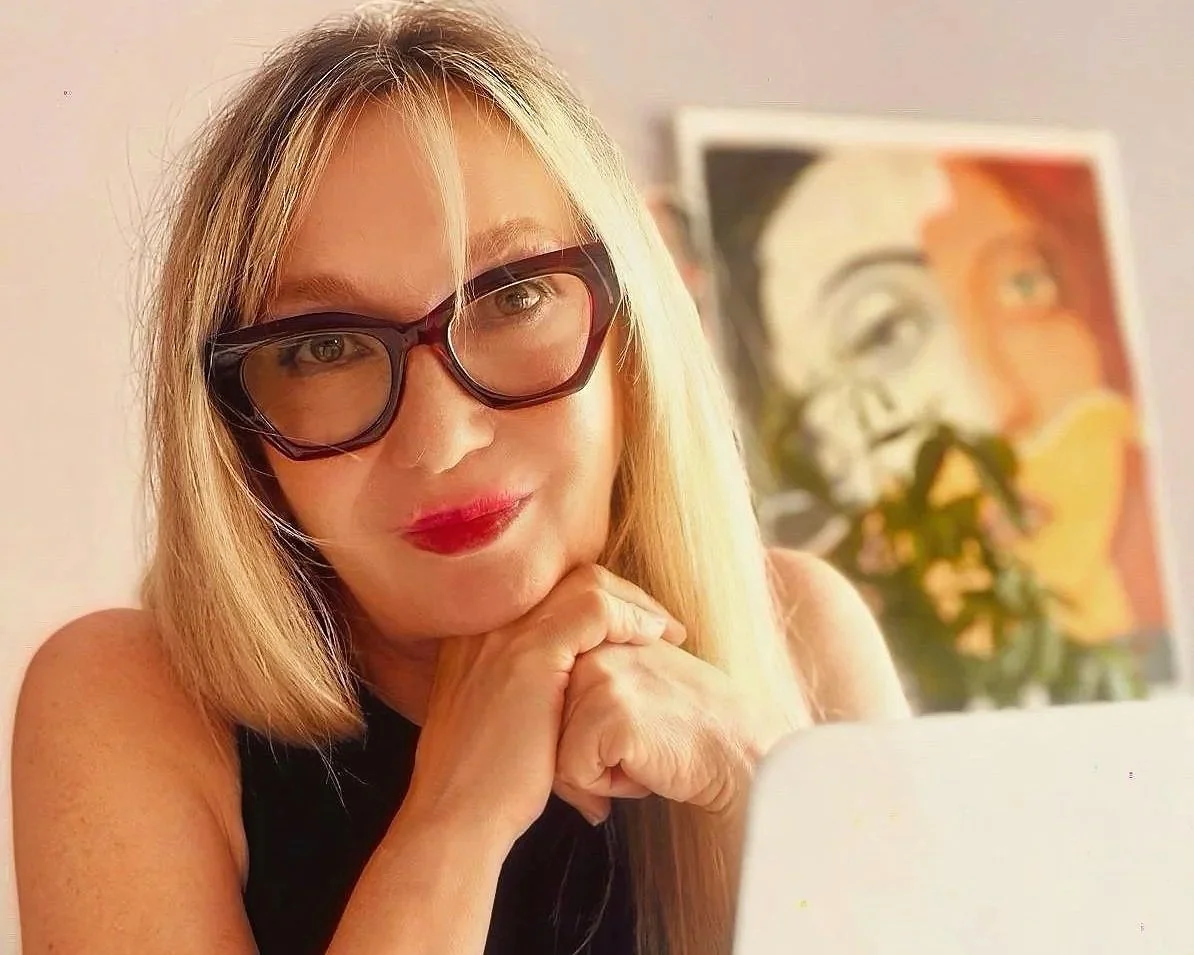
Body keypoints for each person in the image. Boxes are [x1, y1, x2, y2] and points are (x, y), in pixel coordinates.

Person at [11, 4, 908, 955]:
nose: (439, 440)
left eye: (513, 295)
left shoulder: (801, 635)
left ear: (635, 335)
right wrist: (457, 818)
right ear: (237, 430)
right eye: (323, 346)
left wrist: (765, 776)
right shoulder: (129, 701)